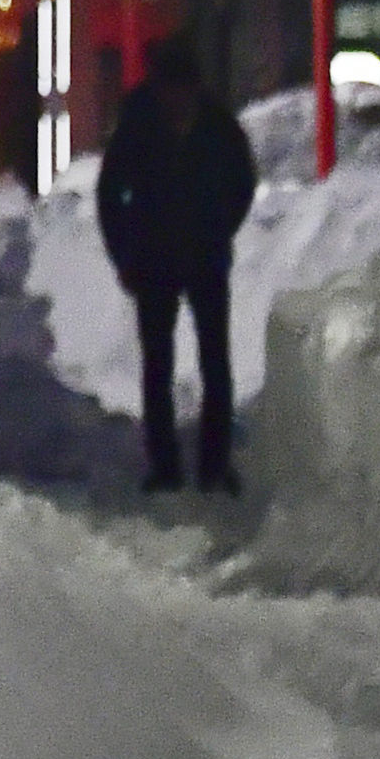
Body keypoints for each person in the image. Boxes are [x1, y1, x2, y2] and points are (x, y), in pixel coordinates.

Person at [96, 39, 259, 491]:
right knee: (158, 366)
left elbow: (243, 181)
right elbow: (111, 192)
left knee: (214, 363)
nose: (177, 99)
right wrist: (124, 252)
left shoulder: (216, 125)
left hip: (204, 256)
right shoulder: (139, 122)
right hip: (154, 260)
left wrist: (220, 225)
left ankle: (213, 465)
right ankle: (165, 467)